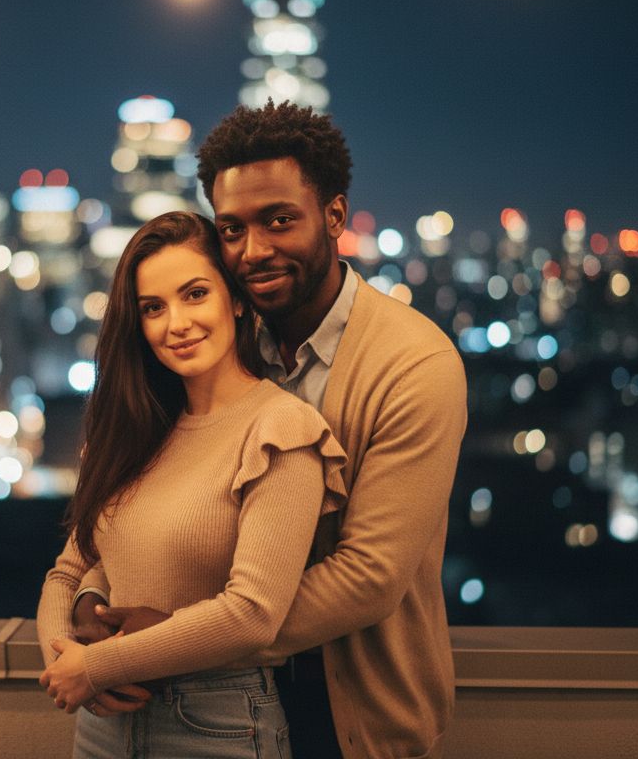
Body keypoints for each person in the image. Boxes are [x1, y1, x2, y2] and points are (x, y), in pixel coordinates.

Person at [74, 101, 468, 759]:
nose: (253, 250)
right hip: (203, 705)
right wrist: (92, 594)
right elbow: (141, 501)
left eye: (278, 221)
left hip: (347, 711)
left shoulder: (413, 365)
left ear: (335, 216)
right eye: (232, 230)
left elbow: (369, 575)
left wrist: (175, 637)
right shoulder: (213, 344)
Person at [36, 211, 347, 757]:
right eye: (153, 308)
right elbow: (67, 571)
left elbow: (254, 614)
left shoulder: (281, 428)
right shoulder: (140, 432)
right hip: (102, 726)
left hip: (217, 724)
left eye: (195, 294)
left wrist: (97, 665)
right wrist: (65, 660)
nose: (175, 323)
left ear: (236, 300)